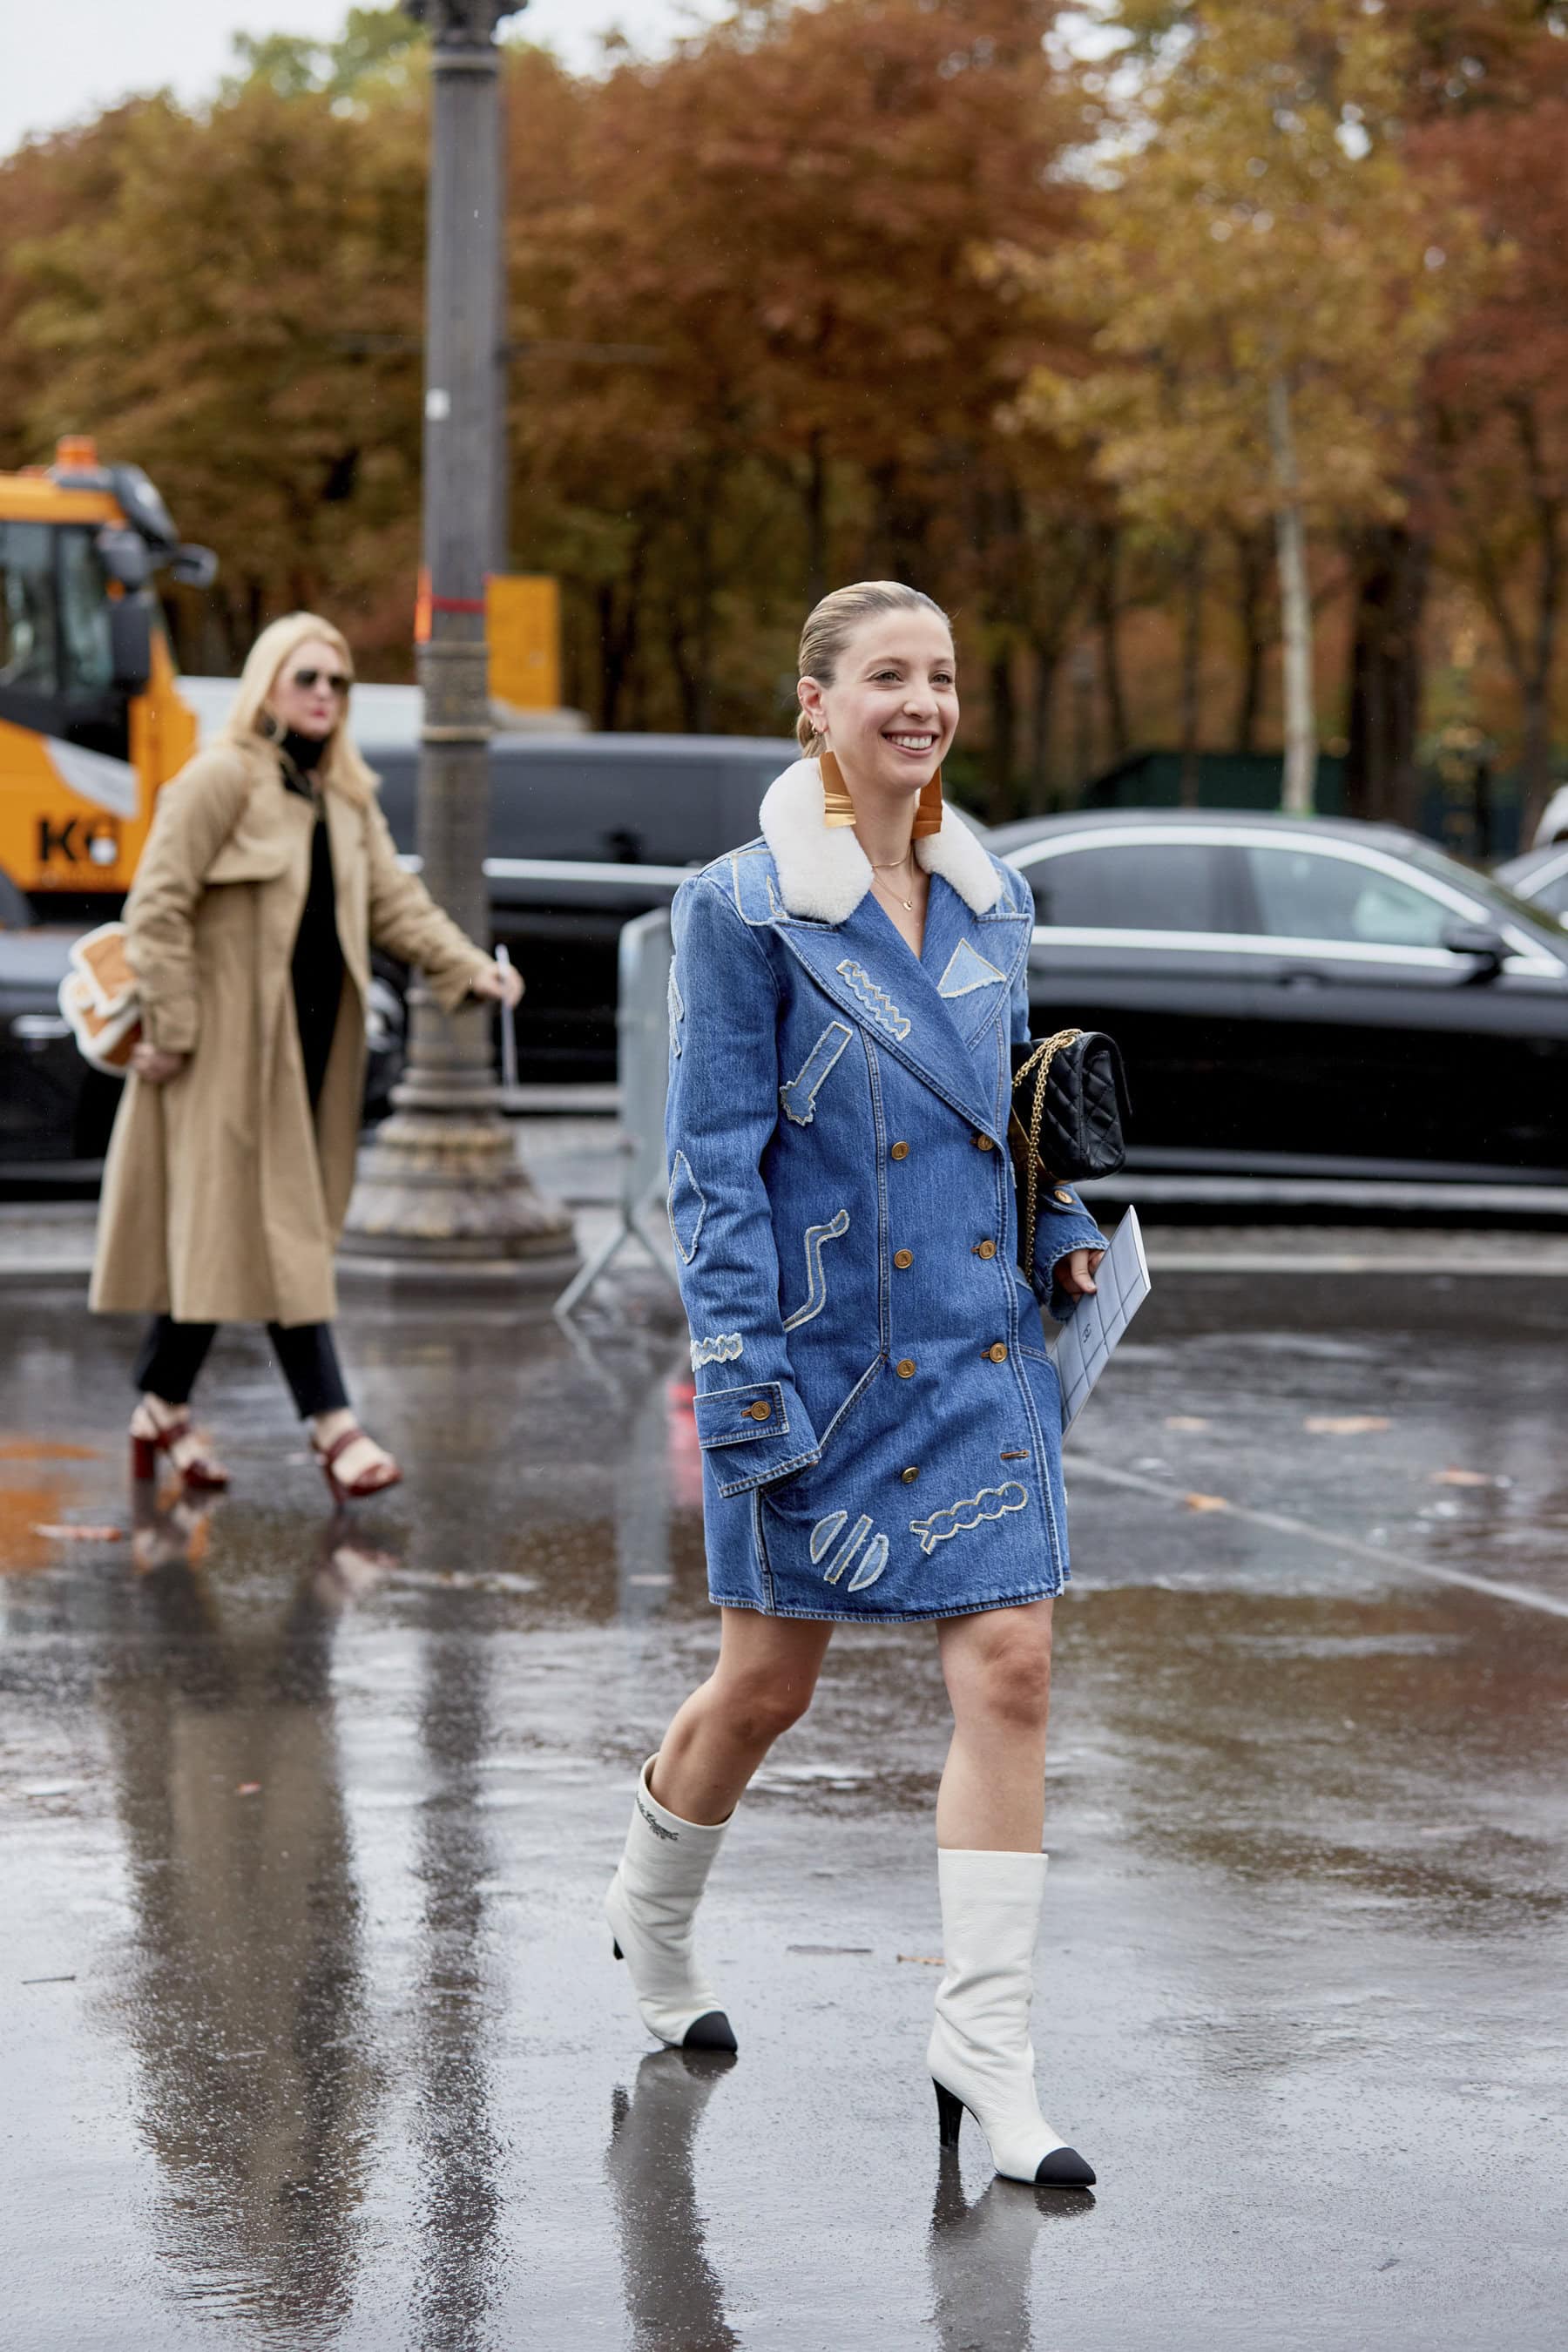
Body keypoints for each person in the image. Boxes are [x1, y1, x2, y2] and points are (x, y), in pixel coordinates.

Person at [604, 580, 1108, 2187]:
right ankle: (652, 1922)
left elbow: (1019, 1113)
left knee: (1012, 1668)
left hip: (977, 1350)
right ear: (810, 702)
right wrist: (740, 1373)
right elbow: (712, 1170)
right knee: (767, 1689)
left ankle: (989, 2050)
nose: (922, 701)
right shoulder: (738, 908)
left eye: (943, 675)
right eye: (888, 674)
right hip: (813, 1362)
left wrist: (1075, 1226)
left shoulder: (992, 893)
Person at [91, 611, 521, 1504]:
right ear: (267, 685)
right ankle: (334, 1425)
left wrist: (468, 969)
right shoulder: (218, 779)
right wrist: (170, 1030)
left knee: (226, 1238)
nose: (325, 694)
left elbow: (397, 907)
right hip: (218, 1057)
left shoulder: (345, 797)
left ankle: (160, 1403)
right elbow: (157, 908)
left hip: (311, 1055)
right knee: (275, 1232)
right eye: (307, 678)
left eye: (338, 682)